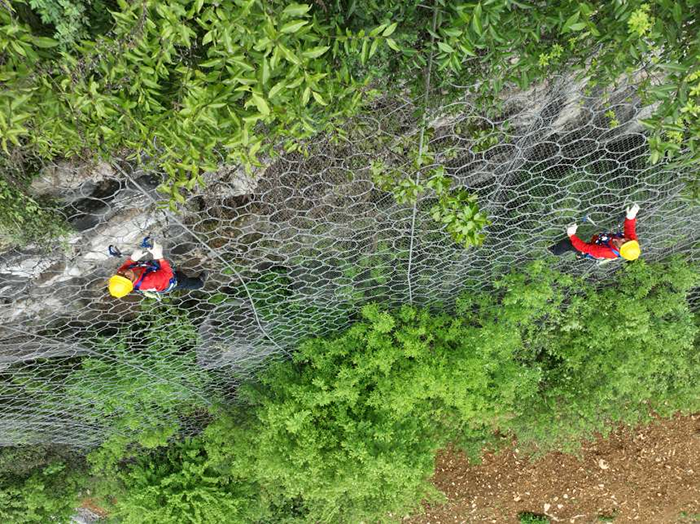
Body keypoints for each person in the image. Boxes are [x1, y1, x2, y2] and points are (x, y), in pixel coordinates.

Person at [108, 241, 205, 298]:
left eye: (119, 274)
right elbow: (168, 274)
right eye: (126, 276)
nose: (123, 272)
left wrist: (132, 259)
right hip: (172, 280)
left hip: (154, 271)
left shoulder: (122, 274)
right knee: (185, 281)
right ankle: (200, 283)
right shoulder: (150, 281)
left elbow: (124, 268)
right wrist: (159, 256)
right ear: (130, 282)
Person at [549, 204, 641, 261]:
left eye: (623, 243)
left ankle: (553, 250)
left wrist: (571, 235)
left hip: (594, 248)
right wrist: (630, 217)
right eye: (627, 240)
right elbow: (630, 228)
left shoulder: (605, 252)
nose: (624, 239)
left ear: (620, 249)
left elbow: (585, 247)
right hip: (603, 239)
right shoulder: (632, 242)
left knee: (567, 245)